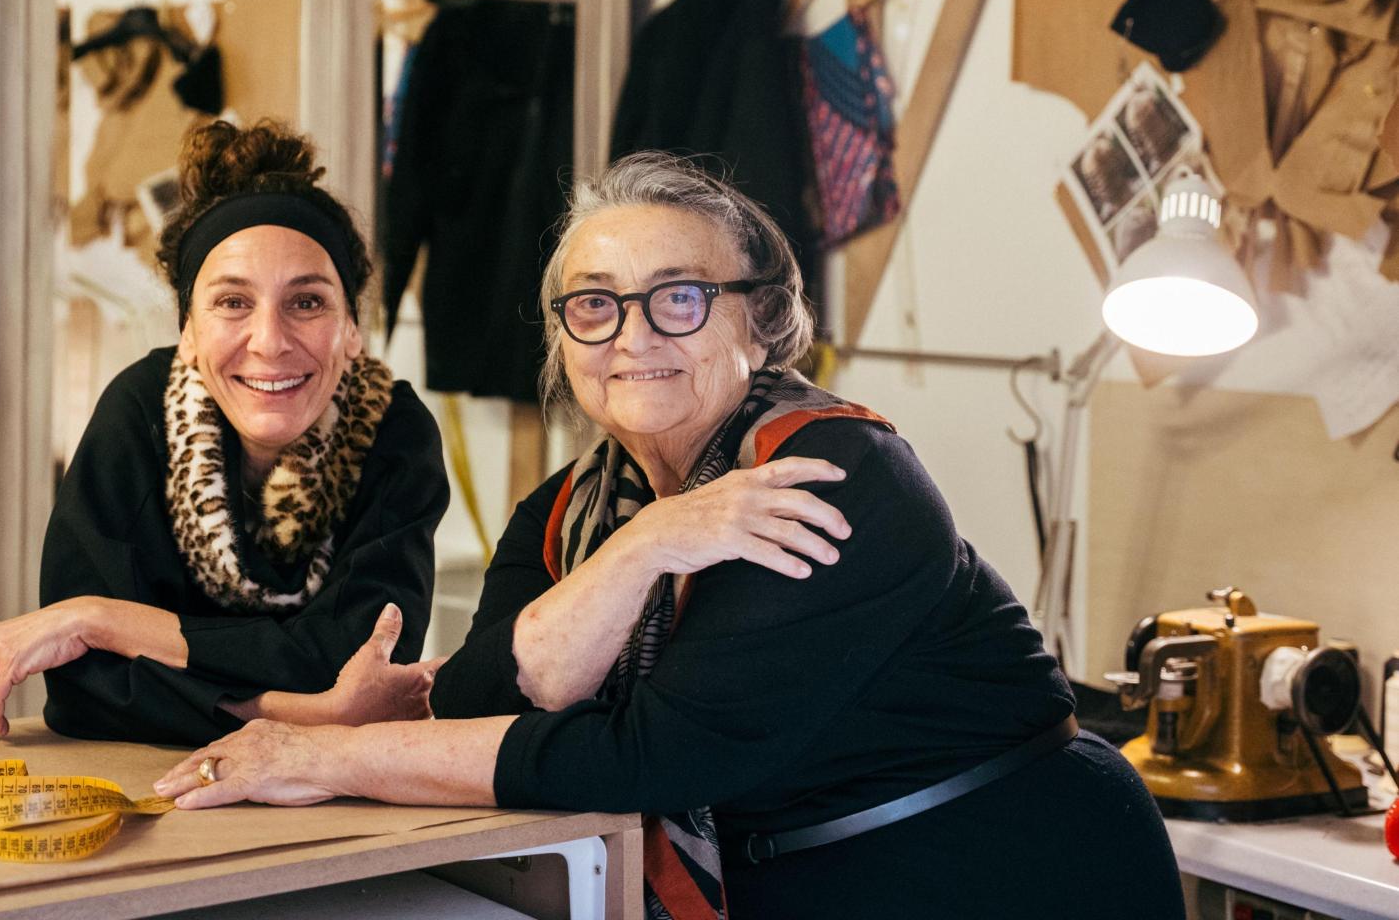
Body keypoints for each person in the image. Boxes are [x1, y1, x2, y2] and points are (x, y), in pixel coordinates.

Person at [152, 153, 1185, 919]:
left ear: (762, 323)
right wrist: (642, 548)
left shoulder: (831, 477)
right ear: (562, 338)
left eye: (678, 300)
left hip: (995, 872)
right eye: (593, 306)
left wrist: (335, 755)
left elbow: (650, 758)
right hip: (801, 881)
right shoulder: (573, 510)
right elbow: (480, 699)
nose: (633, 336)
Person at [0, 119, 451, 747]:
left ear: (352, 331)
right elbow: (86, 693)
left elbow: (357, 660)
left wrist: (102, 619)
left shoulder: (393, 430)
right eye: (232, 303)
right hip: (141, 790)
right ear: (189, 335)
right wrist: (313, 714)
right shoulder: (138, 411)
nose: (270, 341)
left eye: (307, 302)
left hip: (330, 798)